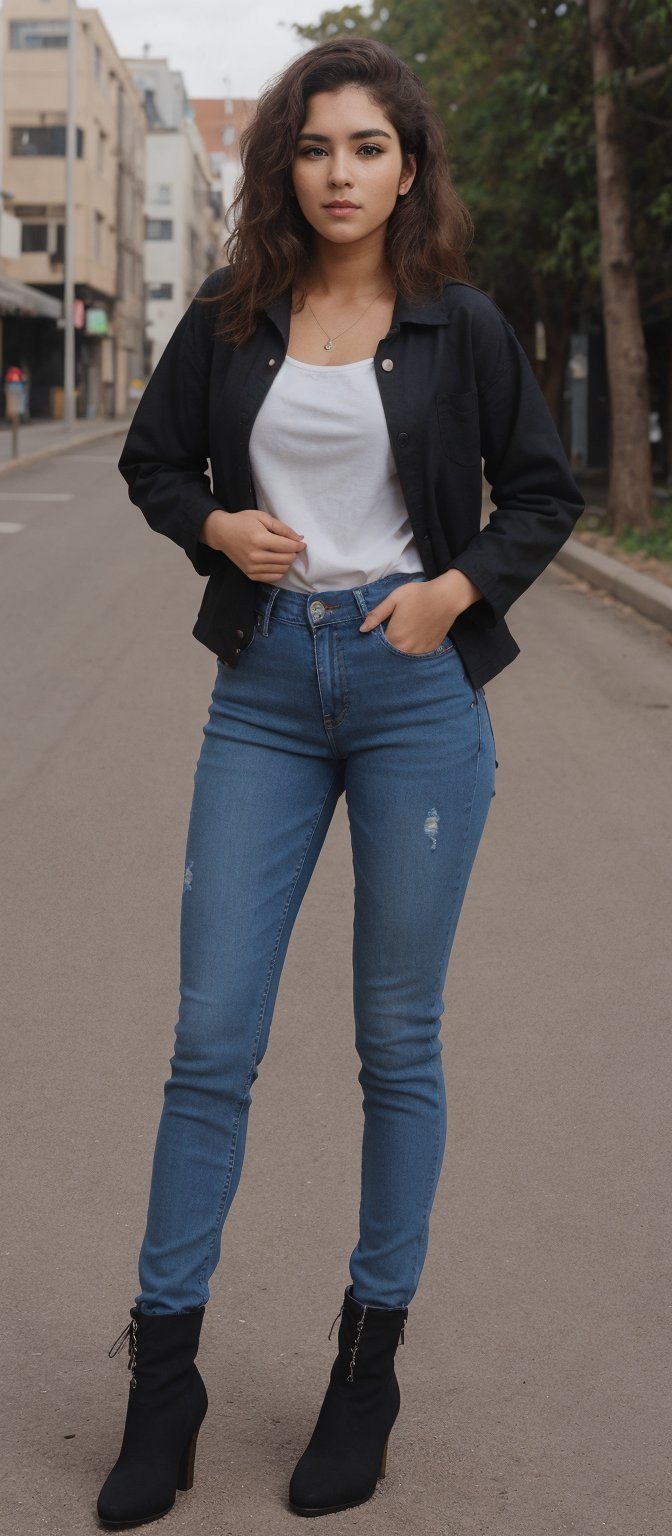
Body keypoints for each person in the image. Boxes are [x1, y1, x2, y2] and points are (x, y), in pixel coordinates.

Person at [97, 36, 584, 1527]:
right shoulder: (236, 316)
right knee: (211, 1040)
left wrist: (454, 591)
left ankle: (365, 1373)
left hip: (412, 691)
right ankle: (162, 1383)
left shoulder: (463, 326)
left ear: (408, 164)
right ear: (283, 168)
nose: (342, 173)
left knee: (397, 1046)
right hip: (262, 690)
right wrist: (216, 531)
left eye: (369, 147)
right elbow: (151, 461)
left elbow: (545, 491)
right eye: (317, 147)